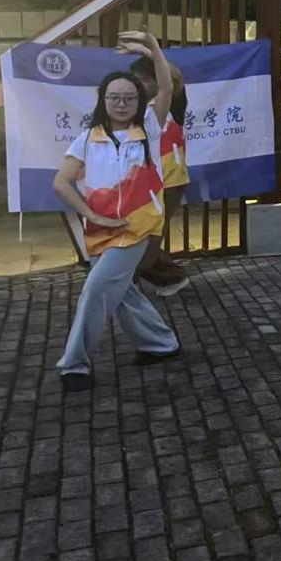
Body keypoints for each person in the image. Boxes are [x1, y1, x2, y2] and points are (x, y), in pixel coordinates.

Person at [52, 30, 181, 392]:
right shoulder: (87, 139)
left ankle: (75, 364)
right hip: (100, 229)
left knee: (96, 290)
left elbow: (166, 88)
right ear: (103, 100)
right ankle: (161, 344)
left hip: (135, 227)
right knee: (122, 292)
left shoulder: (149, 130)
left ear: (139, 101)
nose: (121, 104)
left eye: (129, 97)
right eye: (114, 97)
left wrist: (153, 47)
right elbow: (61, 183)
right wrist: (92, 216)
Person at [129, 54, 191, 297]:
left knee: (150, 238)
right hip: (144, 182)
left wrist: (150, 51)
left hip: (171, 180)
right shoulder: (135, 108)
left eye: (144, 79)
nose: (140, 84)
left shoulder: (173, 103)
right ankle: (164, 276)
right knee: (140, 234)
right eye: (136, 80)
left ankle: (164, 277)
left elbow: (174, 80)